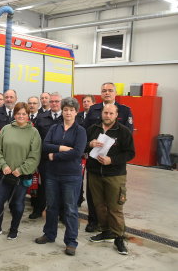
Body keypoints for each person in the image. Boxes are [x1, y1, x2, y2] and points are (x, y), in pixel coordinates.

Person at [34, 97, 86, 256]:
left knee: (70, 209)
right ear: (62, 111)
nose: (68, 112)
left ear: (76, 112)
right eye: (65, 110)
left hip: (71, 176)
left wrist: (54, 156)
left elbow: (77, 153)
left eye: (71, 110)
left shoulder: (80, 131)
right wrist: (62, 148)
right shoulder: (55, 128)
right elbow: (45, 145)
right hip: (52, 175)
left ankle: (71, 242)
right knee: (52, 206)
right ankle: (49, 234)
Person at [0, 102, 41, 239]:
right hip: (3, 174)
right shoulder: (6, 129)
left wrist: (21, 170)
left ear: (28, 115)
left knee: (17, 205)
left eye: (24, 114)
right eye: (18, 113)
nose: (21, 116)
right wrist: (3, 165)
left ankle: (13, 229)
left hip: (20, 177)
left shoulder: (34, 133)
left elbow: (35, 155)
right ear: (14, 114)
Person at [84, 83, 134, 233]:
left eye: (110, 90)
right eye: (104, 91)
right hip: (94, 169)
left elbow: (129, 150)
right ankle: (98, 225)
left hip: (114, 171)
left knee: (114, 206)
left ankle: (118, 235)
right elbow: (84, 136)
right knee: (96, 203)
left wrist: (112, 159)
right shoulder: (93, 111)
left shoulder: (125, 112)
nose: (107, 93)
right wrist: (90, 144)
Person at [30, 92, 63, 220]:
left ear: (61, 103)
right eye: (52, 101)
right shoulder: (41, 118)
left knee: (61, 187)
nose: (54, 104)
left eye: (56, 101)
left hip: (61, 159)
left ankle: (62, 213)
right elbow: (36, 140)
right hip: (44, 159)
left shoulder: (66, 117)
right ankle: (38, 209)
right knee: (42, 186)